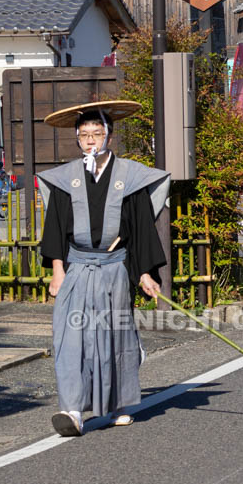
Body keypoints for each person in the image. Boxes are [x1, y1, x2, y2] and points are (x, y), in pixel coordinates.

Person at [38, 101, 170, 437]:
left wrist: (144, 272)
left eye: (97, 133)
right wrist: (57, 269)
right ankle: (72, 409)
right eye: (84, 135)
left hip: (113, 269)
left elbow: (141, 227)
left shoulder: (128, 175)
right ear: (77, 140)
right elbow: (55, 225)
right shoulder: (66, 178)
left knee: (113, 336)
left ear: (109, 137)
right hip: (77, 267)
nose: (91, 141)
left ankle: (116, 404)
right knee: (71, 337)